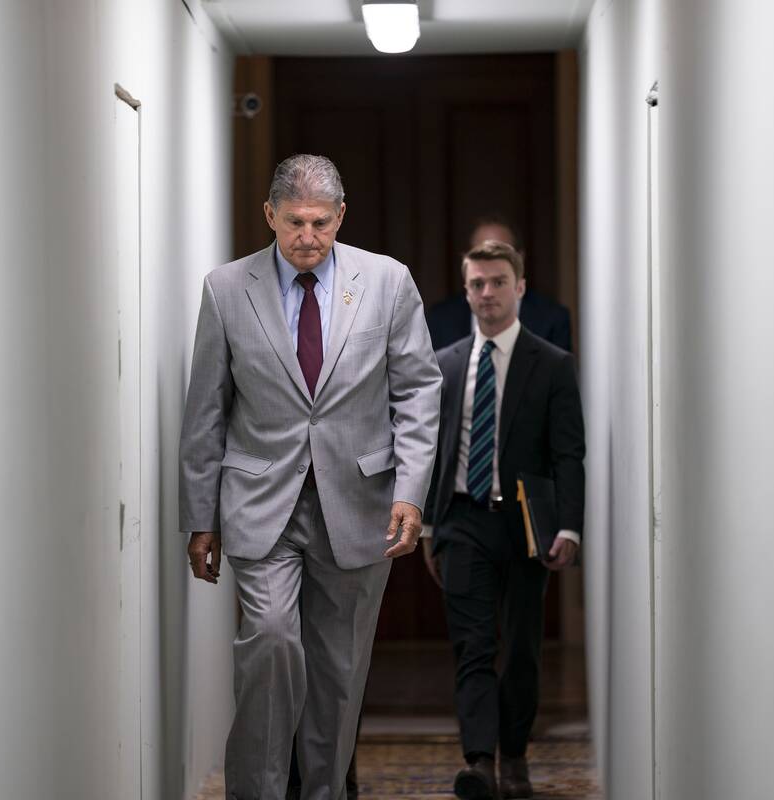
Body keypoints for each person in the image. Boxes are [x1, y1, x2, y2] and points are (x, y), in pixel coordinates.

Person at [179, 154, 442, 800]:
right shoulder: (226, 290)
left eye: (321, 223)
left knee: (337, 674)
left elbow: (418, 390)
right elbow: (205, 411)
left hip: (358, 505)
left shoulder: (386, 283)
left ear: (340, 217)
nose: (307, 237)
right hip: (261, 503)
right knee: (269, 641)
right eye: (294, 222)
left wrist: (411, 491)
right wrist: (199, 517)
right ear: (269, 216)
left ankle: (323, 792)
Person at [421, 239, 585, 799]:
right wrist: (426, 527)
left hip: (524, 524)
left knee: (520, 649)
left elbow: (569, 454)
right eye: (476, 284)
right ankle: (479, 762)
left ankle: (513, 754)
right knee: (472, 648)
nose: (486, 294)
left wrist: (568, 526)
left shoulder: (553, 366)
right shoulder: (442, 367)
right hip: (463, 521)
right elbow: (430, 452)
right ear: (465, 290)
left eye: (496, 282)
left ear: (519, 287)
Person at [425, 216, 573, 352]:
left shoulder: (552, 320)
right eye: (481, 255)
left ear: (519, 259)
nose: (490, 265)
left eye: (500, 255)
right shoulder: (439, 320)